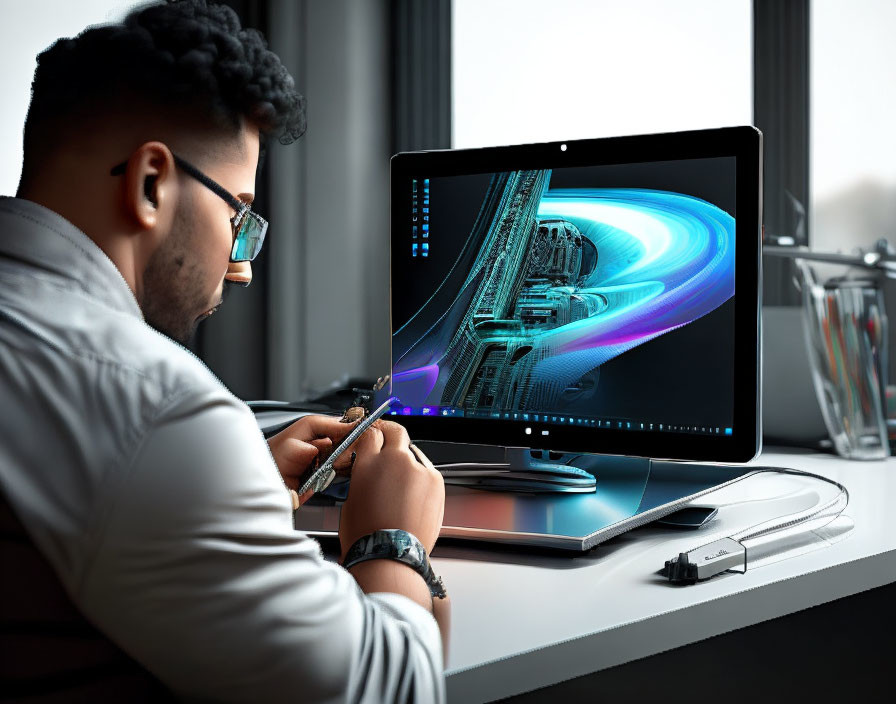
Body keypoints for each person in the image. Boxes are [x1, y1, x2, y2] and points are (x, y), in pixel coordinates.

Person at [0, 1, 448, 701]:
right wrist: (394, 539)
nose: (241, 267)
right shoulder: (155, 407)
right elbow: (393, 690)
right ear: (151, 184)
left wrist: (227, 492)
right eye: (239, 215)